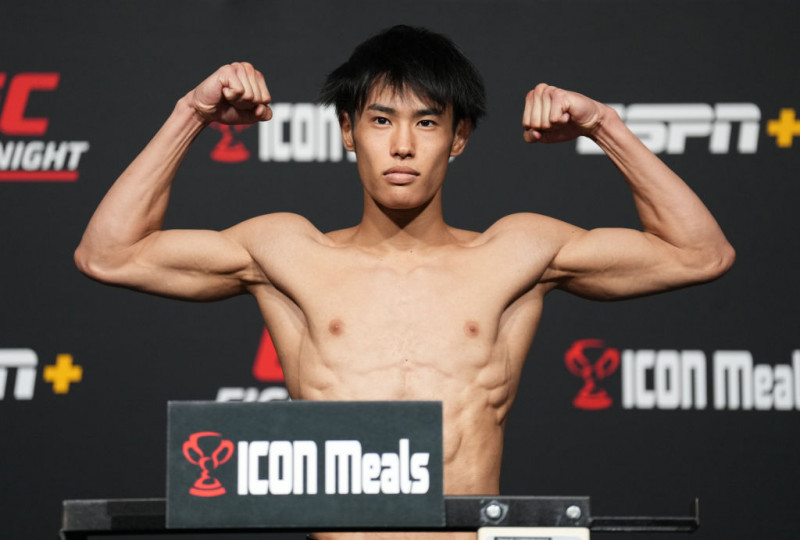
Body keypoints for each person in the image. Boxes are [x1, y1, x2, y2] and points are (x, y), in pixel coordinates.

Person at [74, 25, 734, 540]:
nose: (402, 146)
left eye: (426, 122)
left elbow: (699, 254)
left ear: (459, 137)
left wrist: (603, 127)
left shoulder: (517, 252)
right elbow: (109, 254)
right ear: (347, 131)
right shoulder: (287, 251)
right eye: (381, 120)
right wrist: (192, 112)